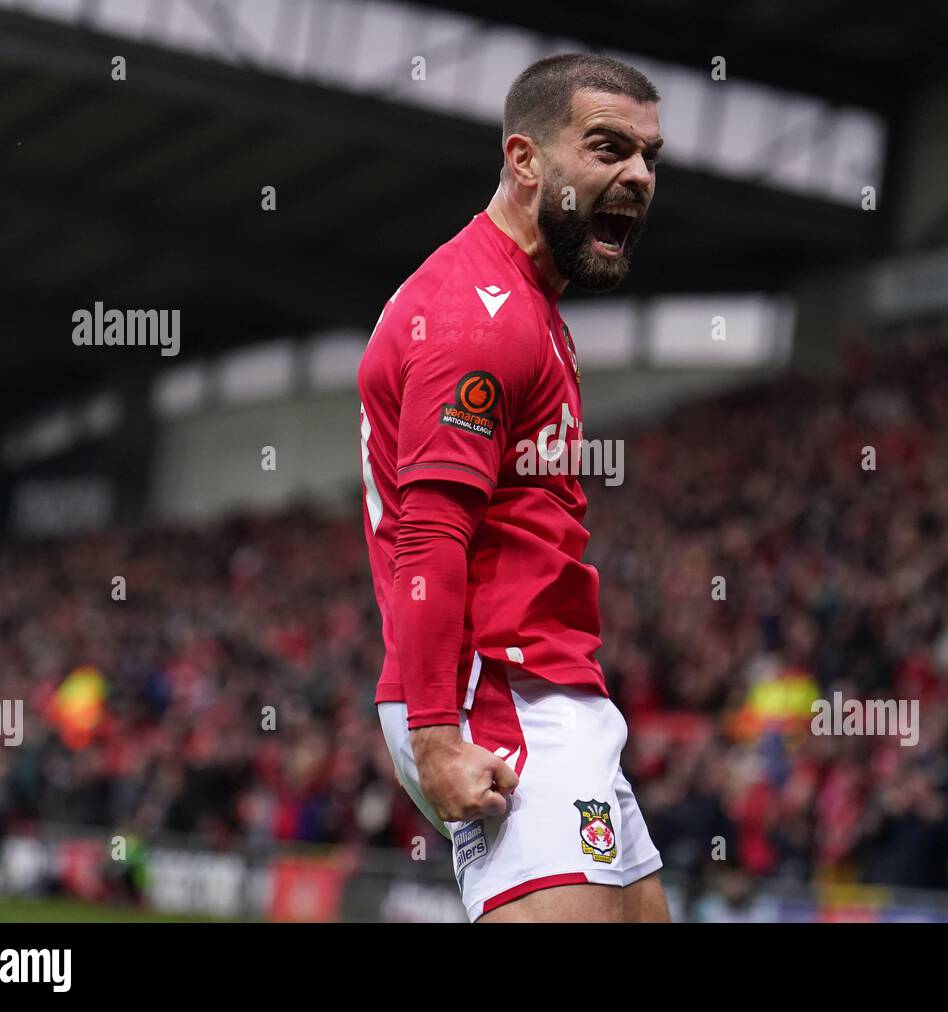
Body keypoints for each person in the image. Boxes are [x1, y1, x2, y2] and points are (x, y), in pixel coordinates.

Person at [358, 53, 669, 922]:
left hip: (545, 688)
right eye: (608, 148)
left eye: (649, 157)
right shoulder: (476, 316)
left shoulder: (523, 303)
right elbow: (429, 536)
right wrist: (434, 737)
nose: (638, 177)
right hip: (495, 690)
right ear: (526, 159)